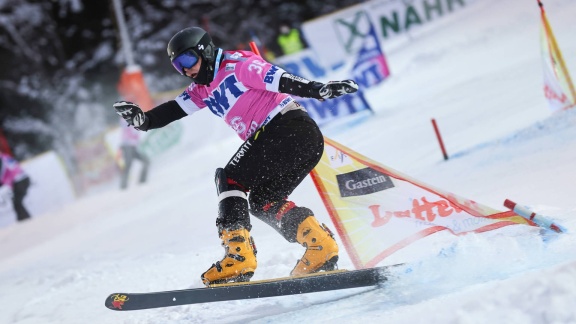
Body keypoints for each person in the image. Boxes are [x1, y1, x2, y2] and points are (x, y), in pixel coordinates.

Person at [113, 26, 359, 286]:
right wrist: (143, 120)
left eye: (187, 60)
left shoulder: (238, 65)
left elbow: (282, 79)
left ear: (205, 51)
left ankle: (239, 257)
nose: (185, 70)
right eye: (177, 66)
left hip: (288, 129)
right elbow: (173, 110)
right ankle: (319, 246)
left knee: (230, 179)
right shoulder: (202, 89)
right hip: (297, 140)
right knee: (265, 200)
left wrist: (318, 89)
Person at [118, 117, 149, 190]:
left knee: (146, 161)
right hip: (127, 145)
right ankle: (123, 186)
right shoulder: (126, 119)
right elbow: (127, 126)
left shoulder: (136, 118)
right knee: (128, 165)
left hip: (134, 146)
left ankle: (142, 181)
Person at [0, 152, 31, 221]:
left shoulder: (1, 160)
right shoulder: (4, 157)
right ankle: (25, 220)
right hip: (22, 179)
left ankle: (26, 221)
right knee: (16, 202)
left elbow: (3, 174)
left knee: (17, 203)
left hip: (19, 181)